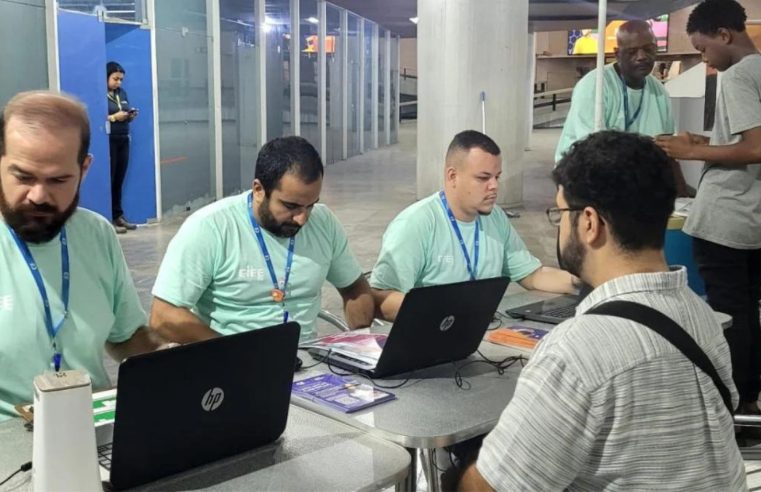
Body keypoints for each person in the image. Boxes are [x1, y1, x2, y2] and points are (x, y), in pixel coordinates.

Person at [459, 131, 744, 491]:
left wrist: (463, 465)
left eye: (561, 213)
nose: (560, 225)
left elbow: (492, 487)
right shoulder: (702, 317)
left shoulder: (577, 350)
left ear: (590, 223)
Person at [0, 91, 163, 421]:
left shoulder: (96, 234)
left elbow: (127, 337)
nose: (39, 196)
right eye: (23, 177)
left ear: (84, 168)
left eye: (59, 180)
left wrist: (178, 365)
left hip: (95, 422)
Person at [150, 136, 374, 343]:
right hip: (231, 364)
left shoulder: (324, 223)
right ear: (258, 189)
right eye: (291, 206)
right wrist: (230, 351)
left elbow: (355, 288)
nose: (302, 219)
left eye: (311, 205)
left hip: (306, 364)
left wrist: (361, 342)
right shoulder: (211, 228)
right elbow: (163, 317)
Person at [656, 0, 761, 416]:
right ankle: (749, 396)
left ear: (724, 35)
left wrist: (688, 151)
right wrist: (706, 143)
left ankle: (732, 404)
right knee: (749, 308)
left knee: (729, 314)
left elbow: (755, 148)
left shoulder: (737, 77)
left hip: (727, 218)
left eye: (703, 50)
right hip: (753, 218)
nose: (704, 60)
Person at [370, 130, 577, 322]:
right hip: (429, 341)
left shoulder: (495, 217)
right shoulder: (415, 224)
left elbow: (533, 275)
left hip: (478, 333)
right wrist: (443, 311)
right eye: (483, 178)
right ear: (452, 177)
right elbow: (381, 299)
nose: (494, 186)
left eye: (497, 177)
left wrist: (585, 281)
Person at [555, 20, 689, 194]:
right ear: (617, 54)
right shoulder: (596, 86)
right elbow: (593, 152)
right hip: (586, 176)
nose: (642, 56)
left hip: (631, 180)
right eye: (632, 52)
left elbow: (667, 153)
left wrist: (683, 196)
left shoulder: (659, 92)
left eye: (648, 49)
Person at [106, 61, 138, 234]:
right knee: (109, 179)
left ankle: (118, 215)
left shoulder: (121, 93)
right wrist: (113, 118)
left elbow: (124, 110)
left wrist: (129, 116)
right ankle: (107, 218)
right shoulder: (100, 94)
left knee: (119, 179)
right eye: (115, 79)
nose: (118, 83)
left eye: (121, 80)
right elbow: (97, 116)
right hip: (108, 140)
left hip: (123, 138)